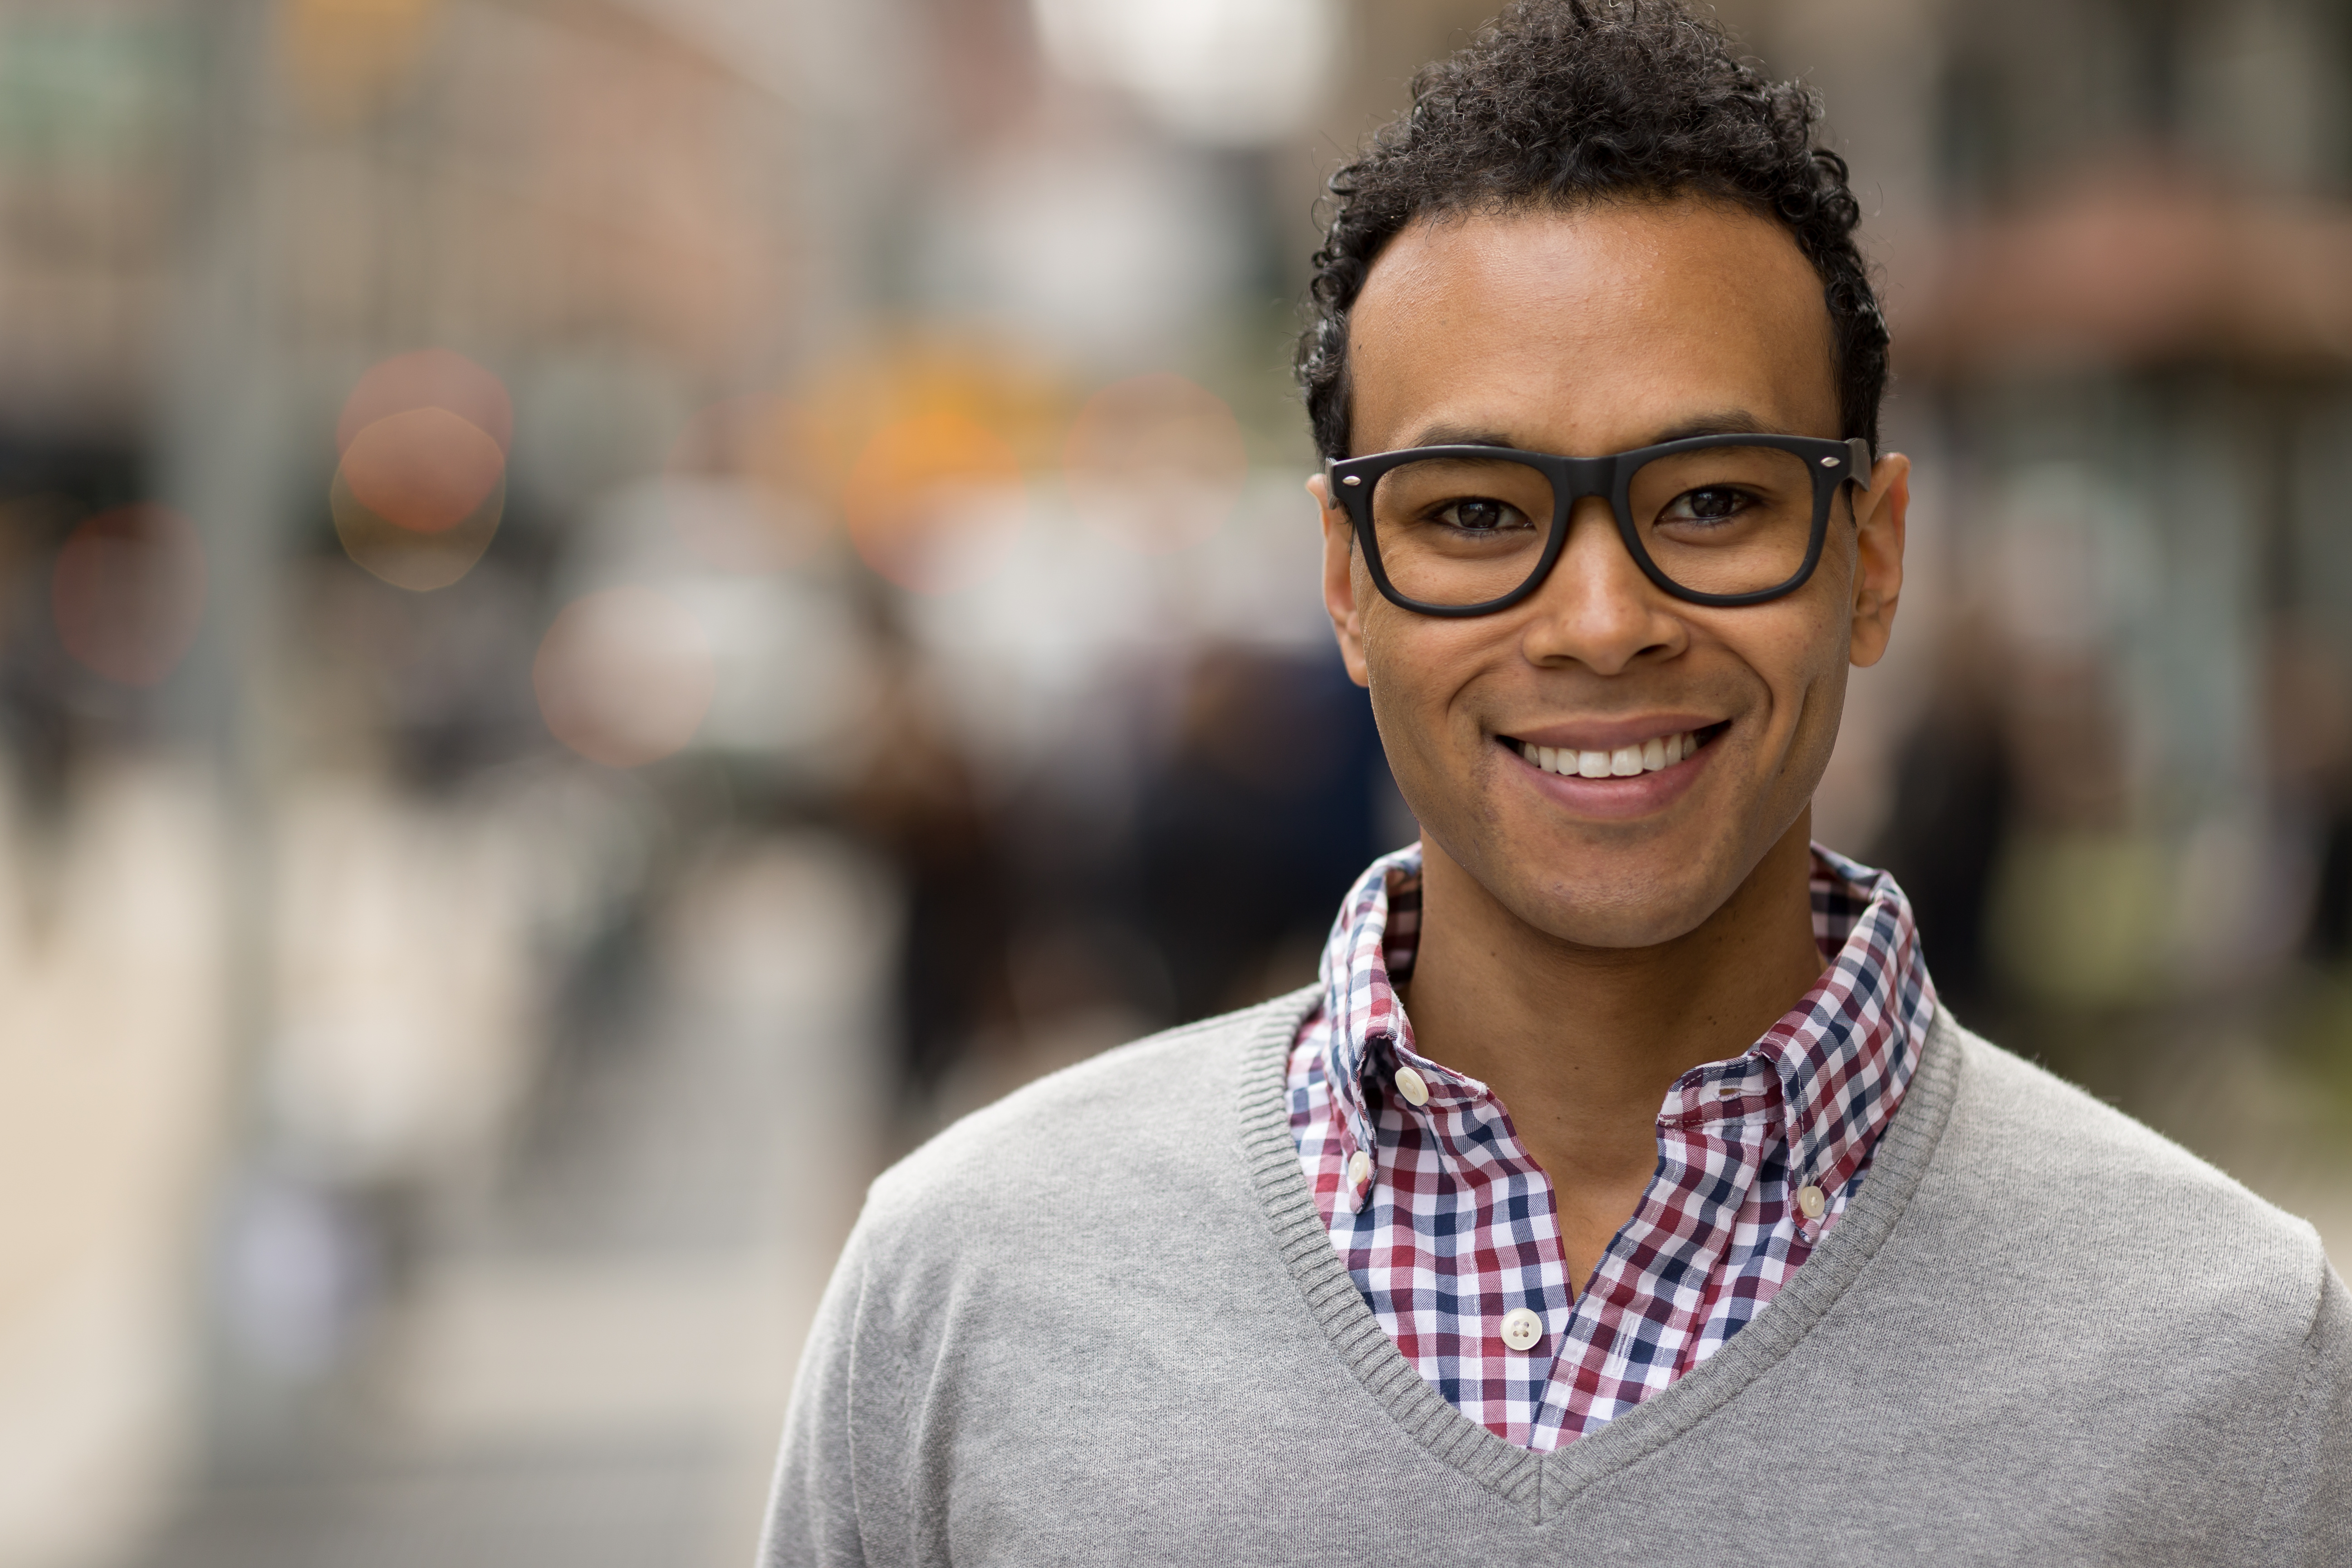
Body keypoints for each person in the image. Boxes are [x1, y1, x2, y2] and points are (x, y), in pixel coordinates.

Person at [760, 3, 2352, 1560]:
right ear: (1345, 580)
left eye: (1716, 499)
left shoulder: (2234, 1357)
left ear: (1871, 562)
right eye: (1473, 516)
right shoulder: (967, 1286)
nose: (1601, 624)